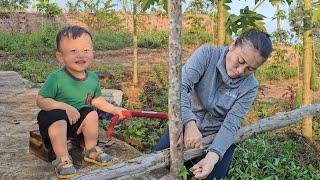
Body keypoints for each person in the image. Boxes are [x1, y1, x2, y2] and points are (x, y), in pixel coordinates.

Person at [153, 29, 272, 179]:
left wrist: (212, 157)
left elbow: (232, 123)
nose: (241, 70)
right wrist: (189, 123)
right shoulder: (207, 55)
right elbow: (179, 87)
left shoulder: (250, 86)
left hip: (217, 137)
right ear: (233, 45)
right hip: (183, 125)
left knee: (213, 176)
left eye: (250, 69)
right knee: (154, 170)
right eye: (240, 61)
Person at [36, 25, 126, 179]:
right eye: (73, 51)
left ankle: (90, 149)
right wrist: (64, 106)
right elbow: (41, 100)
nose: (80, 55)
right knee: (58, 116)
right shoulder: (56, 78)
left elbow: (96, 100)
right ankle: (62, 158)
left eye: (85, 50)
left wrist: (114, 110)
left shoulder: (92, 78)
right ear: (60, 56)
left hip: (76, 123)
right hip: (54, 124)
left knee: (91, 113)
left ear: (93, 53)